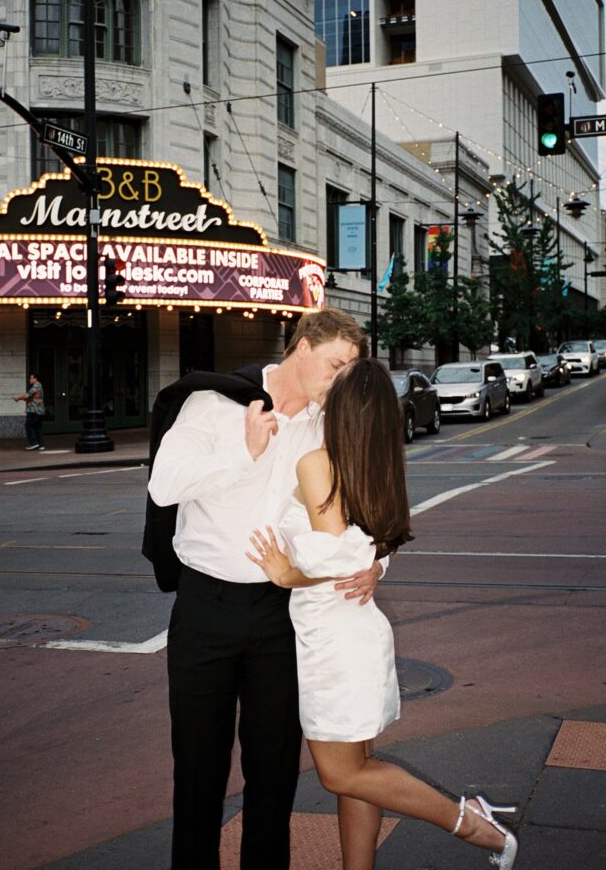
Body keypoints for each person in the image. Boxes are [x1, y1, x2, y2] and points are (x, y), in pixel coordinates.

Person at [248, 358, 518, 870]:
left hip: (333, 640)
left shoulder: (318, 462)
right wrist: (370, 564)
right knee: (358, 771)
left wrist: (288, 575)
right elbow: (367, 547)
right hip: (349, 631)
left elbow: (339, 554)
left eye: (335, 383)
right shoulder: (374, 467)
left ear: (344, 407)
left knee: (341, 775)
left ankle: (470, 823)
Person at [148, 308, 383, 870]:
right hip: (207, 606)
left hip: (283, 612)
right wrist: (243, 452)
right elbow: (163, 485)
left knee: (274, 772)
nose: (343, 377)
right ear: (302, 347)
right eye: (336, 364)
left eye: (352, 367)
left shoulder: (330, 426)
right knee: (199, 770)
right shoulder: (214, 404)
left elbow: (368, 511)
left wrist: (377, 563)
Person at [14, 373, 45, 451]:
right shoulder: (38, 386)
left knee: (29, 425)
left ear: (35, 378)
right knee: (37, 427)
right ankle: (41, 444)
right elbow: (28, 397)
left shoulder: (36, 385)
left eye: (31, 378)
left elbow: (27, 395)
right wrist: (21, 398)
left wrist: (17, 397)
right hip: (38, 410)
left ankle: (34, 443)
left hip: (34, 410)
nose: (29, 380)